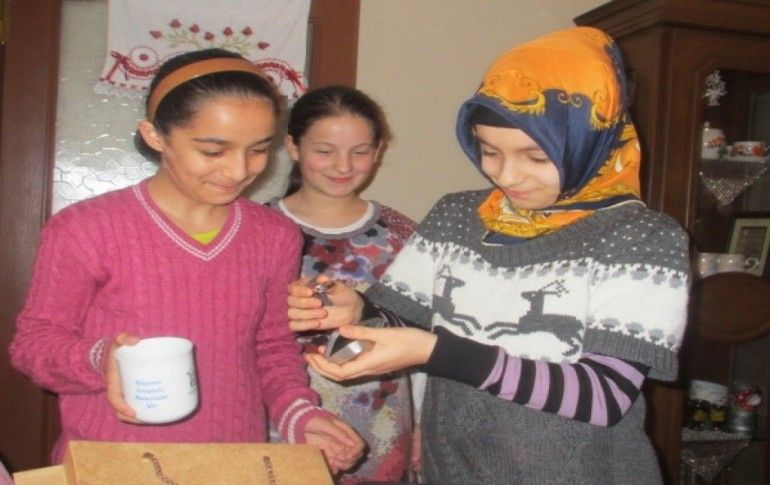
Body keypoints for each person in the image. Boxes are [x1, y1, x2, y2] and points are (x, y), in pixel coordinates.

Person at [286, 27, 690, 484]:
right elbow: (401, 318)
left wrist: (436, 352)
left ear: (592, 140)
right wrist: (358, 309)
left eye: (536, 157)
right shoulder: (456, 216)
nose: (507, 175)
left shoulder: (641, 238)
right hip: (454, 471)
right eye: (489, 151)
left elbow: (602, 395)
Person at [9, 48, 364, 473]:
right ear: (155, 136)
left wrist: (299, 415)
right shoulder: (85, 228)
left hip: (232, 463)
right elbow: (33, 345)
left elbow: (271, 346)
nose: (239, 171)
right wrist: (101, 359)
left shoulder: (274, 235)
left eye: (258, 149)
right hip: (113, 464)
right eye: (213, 151)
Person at [269, 85, 422, 484]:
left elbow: (426, 338)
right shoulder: (256, 231)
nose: (343, 166)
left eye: (360, 151)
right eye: (324, 151)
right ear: (293, 146)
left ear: (378, 151)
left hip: (382, 432)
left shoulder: (404, 236)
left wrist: (424, 422)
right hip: (280, 431)